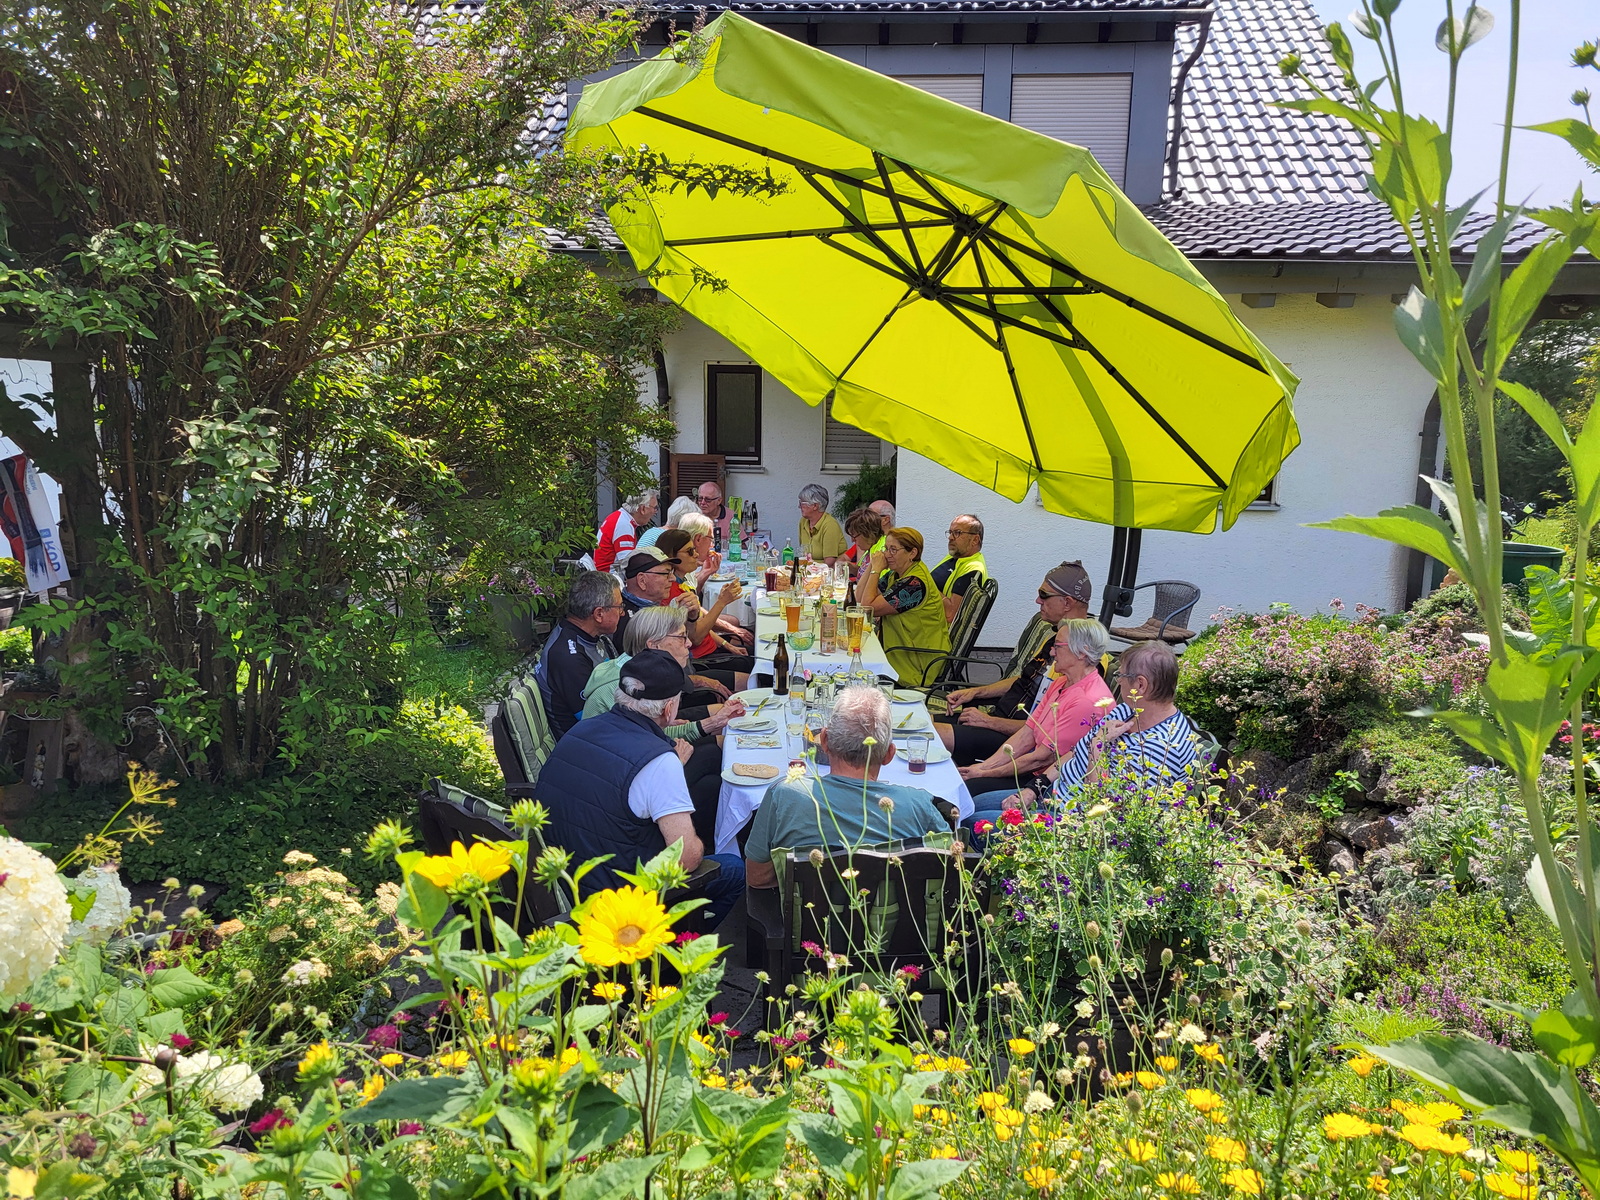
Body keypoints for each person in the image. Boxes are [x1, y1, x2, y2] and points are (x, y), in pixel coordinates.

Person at [535, 650, 746, 926]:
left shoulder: (579, 732)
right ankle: (675, 955)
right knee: (732, 869)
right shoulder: (658, 760)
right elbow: (686, 859)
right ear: (670, 708)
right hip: (621, 906)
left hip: (566, 881)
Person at [966, 643, 1199, 834]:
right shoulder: (1127, 710)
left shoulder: (1161, 748)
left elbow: (1099, 807)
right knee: (966, 805)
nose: (1117, 681)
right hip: (1052, 795)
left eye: (1121, 675)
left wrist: (1098, 743)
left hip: (1072, 827)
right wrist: (1032, 789)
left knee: (971, 824)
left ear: (1140, 684)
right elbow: (1074, 752)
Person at [743, 686, 953, 889]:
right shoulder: (919, 805)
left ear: (824, 741)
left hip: (807, 923)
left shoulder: (785, 795)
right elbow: (952, 871)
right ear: (889, 754)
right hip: (893, 923)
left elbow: (757, 878)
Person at [581, 606, 746, 846]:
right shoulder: (631, 684)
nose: (689, 644)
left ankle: (724, 848)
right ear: (654, 645)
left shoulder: (635, 671)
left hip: (633, 762)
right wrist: (678, 755)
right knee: (715, 771)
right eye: (681, 637)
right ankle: (717, 855)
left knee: (714, 774)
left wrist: (707, 724)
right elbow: (639, 746)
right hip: (618, 789)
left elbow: (647, 733)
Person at [934, 560, 1093, 764]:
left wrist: (990, 722)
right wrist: (976, 692)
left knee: (923, 736)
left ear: (1068, 603)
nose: (1037, 600)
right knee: (919, 724)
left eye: (1044, 595)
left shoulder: (1081, 656)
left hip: (1014, 741)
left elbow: (1048, 729)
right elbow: (1026, 677)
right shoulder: (1056, 638)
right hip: (999, 720)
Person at [958, 618, 1112, 802]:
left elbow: (1041, 759)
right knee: (964, 779)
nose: (1052, 652)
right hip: (1033, 769)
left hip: (1051, 786)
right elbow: (1027, 733)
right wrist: (983, 768)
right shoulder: (1062, 682)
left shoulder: (1087, 701)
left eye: (1058, 646)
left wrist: (987, 773)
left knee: (967, 790)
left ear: (1081, 653)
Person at [657, 529, 754, 689]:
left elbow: (700, 623)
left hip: (710, 650)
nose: (695, 554)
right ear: (672, 557)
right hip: (700, 659)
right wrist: (721, 602)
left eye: (694, 549)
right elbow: (696, 636)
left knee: (754, 652)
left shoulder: (682, 583)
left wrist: (726, 644)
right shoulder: (672, 592)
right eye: (689, 551)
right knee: (758, 671)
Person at [855, 526, 950, 687]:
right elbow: (860, 596)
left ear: (912, 553)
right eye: (886, 548)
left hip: (917, 663)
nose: (886, 554)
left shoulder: (914, 584)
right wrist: (872, 565)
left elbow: (867, 608)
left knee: (854, 674)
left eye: (893, 550)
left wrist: (876, 570)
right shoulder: (897, 575)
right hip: (900, 653)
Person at [534, 571, 622, 739]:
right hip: (587, 745)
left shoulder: (586, 636)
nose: (622, 613)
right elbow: (593, 718)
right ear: (599, 614)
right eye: (619, 607)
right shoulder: (569, 658)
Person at [930, 514, 988, 623]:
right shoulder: (956, 556)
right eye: (950, 532)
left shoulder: (974, 570)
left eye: (957, 533)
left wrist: (926, 584)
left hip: (935, 635)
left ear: (975, 540)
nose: (950, 537)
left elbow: (951, 615)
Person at [595, 490, 658, 572]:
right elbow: (628, 562)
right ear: (643, 509)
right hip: (611, 578)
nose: (655, 512)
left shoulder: (620, 518)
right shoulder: (624, 525)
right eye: (654, 508)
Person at [797, 484, 847, 565]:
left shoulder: (830, 525)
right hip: (809, 570)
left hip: (827, 573)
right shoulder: (803, 522)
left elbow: (829, 562)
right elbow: (803, 554)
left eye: (802, 503)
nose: (799, 506)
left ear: (815, 506)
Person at [695, 481, 731, 553]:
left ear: (719, 501)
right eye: (700, 498)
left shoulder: (731, 516)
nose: (702, 503)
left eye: (708, 500)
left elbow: (741, 545)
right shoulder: (693, 516)